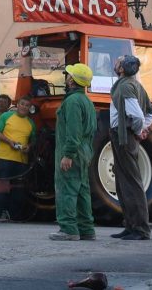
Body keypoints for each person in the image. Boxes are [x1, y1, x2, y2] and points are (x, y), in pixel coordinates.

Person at [109, 54, 152, 241]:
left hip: (124, 136)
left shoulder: (126, 86)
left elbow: (137, 115)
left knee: (131, 183)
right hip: (123, 136)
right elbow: (151, 112)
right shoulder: (134, 84)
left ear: (122, 69)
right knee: (123, 183)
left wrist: (138, 130)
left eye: (118, 61)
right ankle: (130, 225)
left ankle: (140, 229)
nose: (115, 62)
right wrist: (143, 127)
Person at [50, 64, 97, 241]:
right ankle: (86, 229)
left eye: (68, 75)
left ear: (71, 80)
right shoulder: (87, 101)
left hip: (73, 152)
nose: (66, 77)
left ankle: (68, 228)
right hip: (85, 152)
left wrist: (68, 154)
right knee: (82, 191)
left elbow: (73, 131)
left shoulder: (72, 102)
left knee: (67, 189)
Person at [0, 95, 36, 222]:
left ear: (29, 108)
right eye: (22, 104)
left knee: (18, 190)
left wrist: (28, 147)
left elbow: (33, 141)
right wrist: (9, 141)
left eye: (27, 105)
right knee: (0, 188)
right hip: (4, 158)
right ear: (17, 105)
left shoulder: (31, 123)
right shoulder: (6, 116)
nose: (24, 107)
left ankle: (15, 216)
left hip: (21, 160)